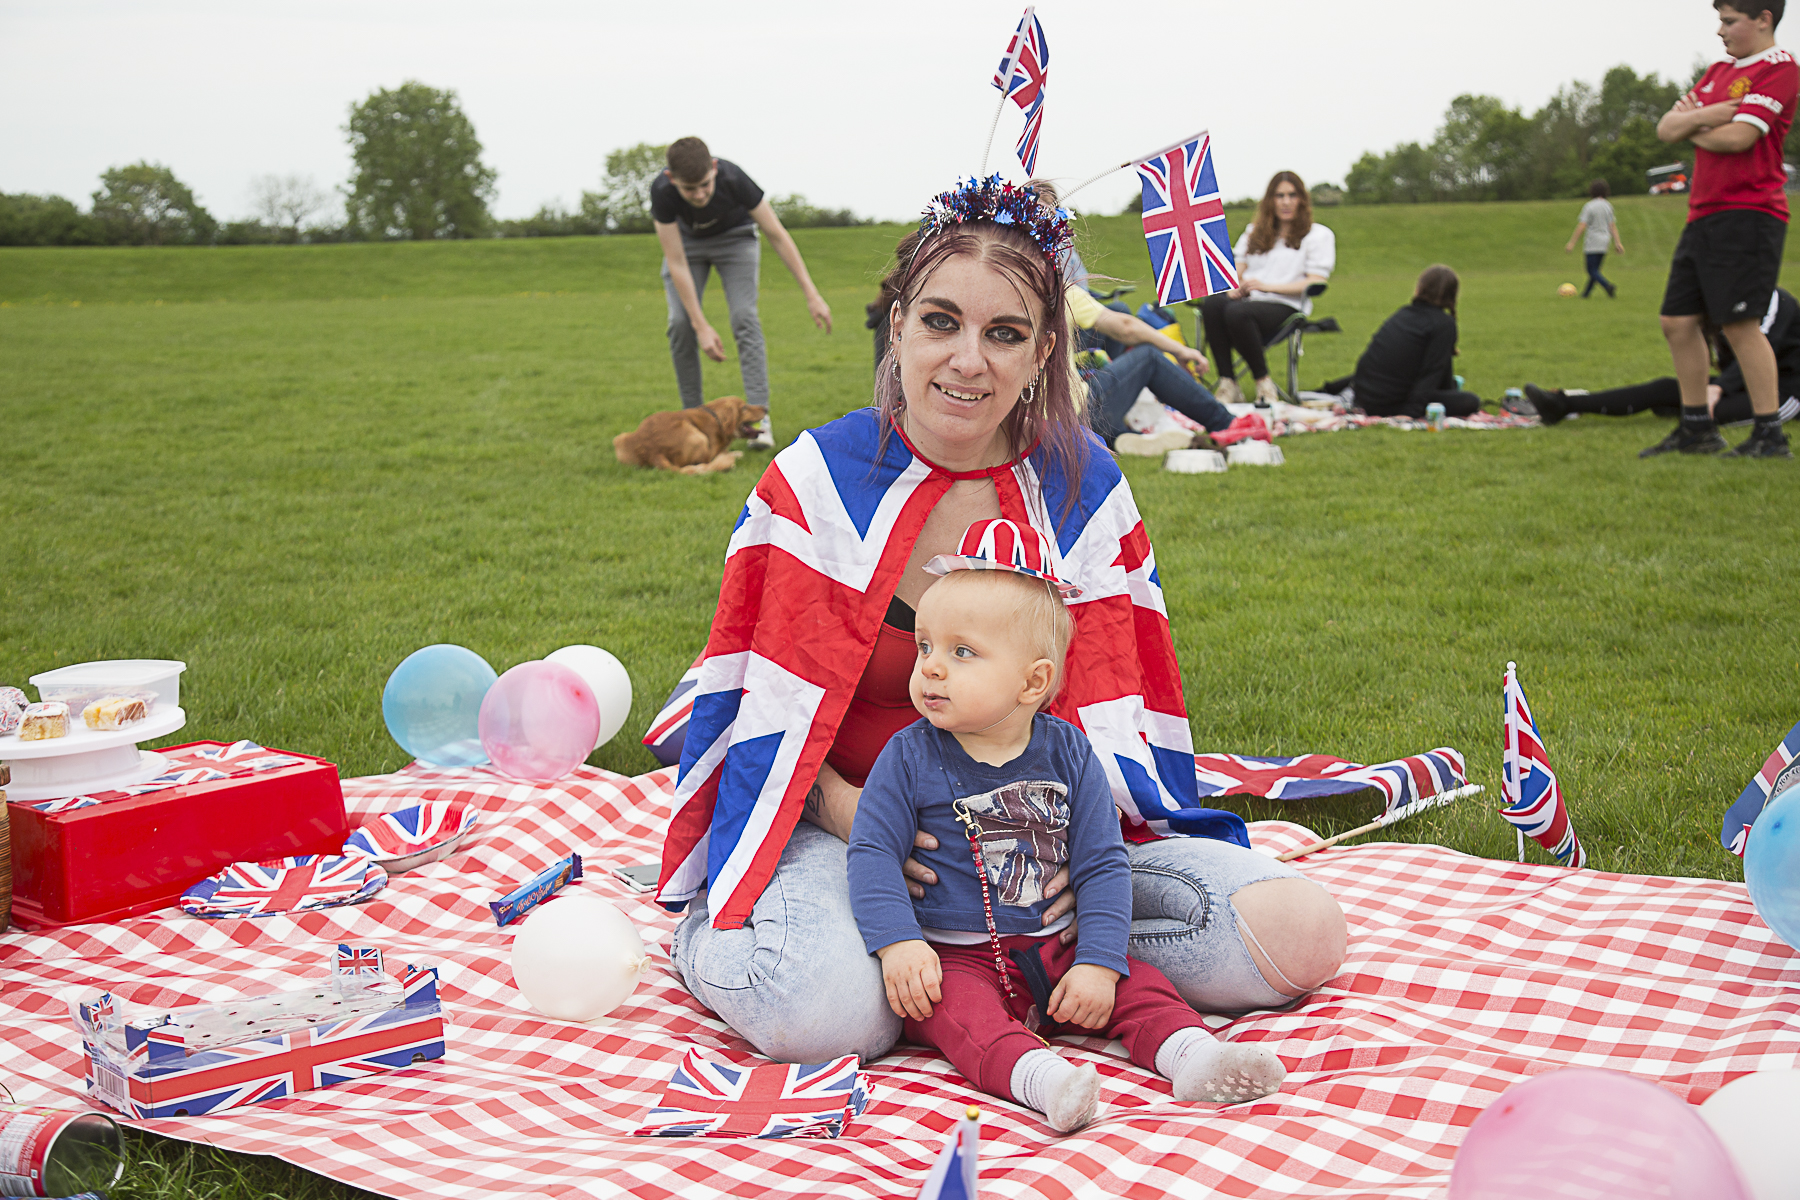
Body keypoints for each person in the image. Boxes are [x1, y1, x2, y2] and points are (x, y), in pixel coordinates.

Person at [656, 176, 1347, 1066]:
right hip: (845, 827)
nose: (968, 360)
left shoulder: (1081, 487)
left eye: (1005, 333)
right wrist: (851, 811)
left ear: (1043, 350)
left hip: (1039, 842)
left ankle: (995, 971)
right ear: (898, 325)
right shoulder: (817, 480)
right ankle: (718, 935)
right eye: (941, 322)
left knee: (1299, 932)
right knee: (825, 1019)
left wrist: (1073, 860)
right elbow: (759, 702)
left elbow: (1111, 704)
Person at [847, 523, 1285, 1132]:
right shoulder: (908, 756)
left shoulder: (1069, 753)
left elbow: (1102, 863)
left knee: (1140, 986)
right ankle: (1045, 1082)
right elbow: (871, 853)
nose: (932, 669)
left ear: (1033, 681)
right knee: (957, 1017)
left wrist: (1100, 962)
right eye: (925, 647)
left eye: (961, 652)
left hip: (1056, 943)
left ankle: (1195, 1057)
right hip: (953, 955)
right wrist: (899, 942)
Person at [1650, 0, 1797, 459]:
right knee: (1676, 322)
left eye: (1729, 21)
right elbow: (1665, 128)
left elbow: (1739, 138)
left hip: (1749, 214)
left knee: (1738, 323)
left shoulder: (1781, 67)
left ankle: (1769, 435)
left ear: (1763, 19)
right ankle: (1697, 429)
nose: (1720, 31)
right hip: (1703, 214)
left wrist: (1692, 125)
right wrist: (1706, 116)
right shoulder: (1718, 71)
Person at [651, 137, 834, 450]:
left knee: (744, 317)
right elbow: (676, 262)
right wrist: (700, 325)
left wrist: (811, 293)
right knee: (680, 323)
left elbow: (777, 235)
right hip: (687, 247)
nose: (699, 195)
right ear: (671, 178)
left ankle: (758, 420)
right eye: (689, 189)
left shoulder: (734, 178)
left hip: (736, 240)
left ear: (714, 168)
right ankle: (692, 419)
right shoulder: (662, 192)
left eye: (705, 185)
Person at [1520, 287, 1800, 440]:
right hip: (1740, 387)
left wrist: (1719, 388)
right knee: (1665, 388)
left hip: (1784, 394)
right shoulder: (1719, 303)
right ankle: (1563, 404)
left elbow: (1764, 349)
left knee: (1701, 416)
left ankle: (1684, 411)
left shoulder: (1776, 301)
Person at [1200, 172, 1336, 405]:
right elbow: (1236, 271)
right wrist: (1233, 288)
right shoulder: (1254, 232)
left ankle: (1263, 383)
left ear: (1302, 200)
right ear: (1270, 200)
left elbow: (1316, 281)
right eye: (1279, 196)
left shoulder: (1318, 235)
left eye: (1292, 195)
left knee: (1237, 312)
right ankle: (1228, 383)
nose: (1285, 202)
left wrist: (1267, 286)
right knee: (1213, 304)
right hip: (1248, 300)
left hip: (1286, 304)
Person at [1064, 286, 1235, 453]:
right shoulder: (1061, 294)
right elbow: (1126, 328)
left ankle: (1121, 428)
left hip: (1052, 425)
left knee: (1116, 310)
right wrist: (1180, 350)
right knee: (1148, 357)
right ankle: (1227, 424)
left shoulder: (1051, 296)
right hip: (1076, 418)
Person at [1349, 266, 1484, 419]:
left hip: (1363, 397)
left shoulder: (1403, 313)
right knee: (1470, 401)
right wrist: (1410, 413)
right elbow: (1432, 372)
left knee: (1450, 390)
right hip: (1390, 403)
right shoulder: (1443, 323)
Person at [1566, 179, 1625, 298]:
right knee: (1595, 270)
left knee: (1591, 270)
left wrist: (1572, 242)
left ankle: (1607, 286)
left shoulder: (1589, 206)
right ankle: (1586, 294)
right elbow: (1612, 225)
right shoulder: (1608, 206)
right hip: (1605, 240)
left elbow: (1582, 225)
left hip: (1593, 240)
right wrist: (1617, 242)